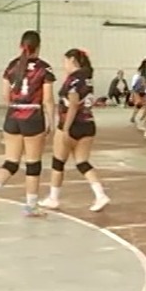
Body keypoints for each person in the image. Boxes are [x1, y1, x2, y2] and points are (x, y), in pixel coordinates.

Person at [0, 30, 56, 218]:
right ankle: (31, 206)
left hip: (13, 115)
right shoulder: (44, 68)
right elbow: (48, 99)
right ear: (38, 47)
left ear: (21, 46)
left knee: (11, 162)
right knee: (33, 164)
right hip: (33, 116)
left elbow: (5, 96)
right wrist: (51, 121)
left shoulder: (12, 66)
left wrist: (15, 109)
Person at [39, 49, 110, 212]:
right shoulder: (88, 77)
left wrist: (66, 128)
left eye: (65, 61)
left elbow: (73, 103)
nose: (63, 65)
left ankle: (53, 198)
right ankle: (100, 194)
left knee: (58, 162)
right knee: (82, 162)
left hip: (72, 124)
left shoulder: (74, 79)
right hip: (88, 124)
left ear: (72, 60)